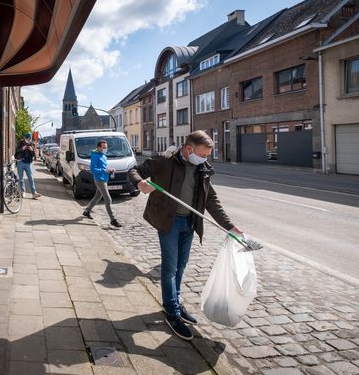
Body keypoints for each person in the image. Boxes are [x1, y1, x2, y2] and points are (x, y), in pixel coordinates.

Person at [128, 130, 245, 341]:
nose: (205, 159)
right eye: (203, 154)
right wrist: (140, 183)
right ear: (189, 148)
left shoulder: (202, 169)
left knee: (181, 265)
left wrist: (230, 226)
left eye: (207, 156)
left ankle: (175, 301)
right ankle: (171, 311)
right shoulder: (165, 161)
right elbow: (134, 170)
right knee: (170, 267)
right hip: (169, 221)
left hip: (190, 222)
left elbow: (211, 201)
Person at [82, 140, 122, 227]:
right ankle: (113, 219)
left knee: (97, 197)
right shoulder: (95, 156)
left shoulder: (103, 155)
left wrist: (110, 169)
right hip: (99, 180)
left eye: (106, 147)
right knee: (108, 200)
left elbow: (104, 167)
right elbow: (93, 170)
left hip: (105, 178)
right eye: (103, 147)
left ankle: (87, 211)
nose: (105, 149)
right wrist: (104, 170)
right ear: (99, 147)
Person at [15, 132, 41, 199]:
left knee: (31, 178)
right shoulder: (20, 143)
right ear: (24, 138)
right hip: (20, 162)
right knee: (21, 178)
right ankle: (23, 192)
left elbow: (34, 156)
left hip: (28, 163)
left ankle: (34, 193)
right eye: (27, 139)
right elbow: (16, 151)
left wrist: (32, 150)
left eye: (29, 139)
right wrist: (22, 149)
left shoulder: (31, 144)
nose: (28, 140)